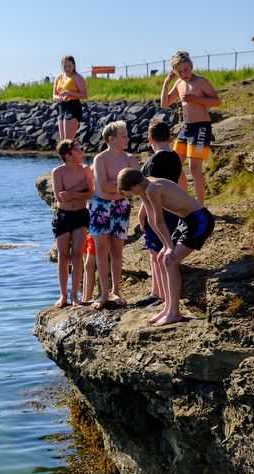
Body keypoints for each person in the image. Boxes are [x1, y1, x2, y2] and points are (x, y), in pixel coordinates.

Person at [118, 168, 215, 327]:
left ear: (134, 186)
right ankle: (168, 308)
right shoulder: (145, 188)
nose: (132, 195)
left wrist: (169, 246)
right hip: (186, 221)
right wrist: (165, 245)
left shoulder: (153, 188)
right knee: (162, 258)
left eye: (130, 192)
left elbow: (160, 220)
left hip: (200, 220)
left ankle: (174, 313)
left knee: (171, 261)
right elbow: (151, 219)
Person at [89, 121, 140, 310]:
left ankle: (116, 291)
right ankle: (103, 294)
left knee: (117, 250)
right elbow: (103, 185)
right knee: (101, 251)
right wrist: (121, 188)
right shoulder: (100, 159)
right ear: (112, 139)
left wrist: (116, 188)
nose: (127, 139)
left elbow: (136, 184)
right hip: (100, 207)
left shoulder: (130, 159)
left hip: (121, 207)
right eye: (124, 136)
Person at [160, 51, 221, 205]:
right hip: (186, 128)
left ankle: (199, 204)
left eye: (186, 70)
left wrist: (197, 99)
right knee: (175, 165)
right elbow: (164, 104)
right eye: (179, 72)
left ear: (191, 66)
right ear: (175, 72)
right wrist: (166, 82)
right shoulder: (179, 83)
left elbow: (217, 101)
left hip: (201, 127)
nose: (183, 74)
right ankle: (186, 200)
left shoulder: (201, 81)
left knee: (194, 168)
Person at [135, 120, 183, 307]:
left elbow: (148, 192)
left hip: (157, 210)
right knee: (160, 250)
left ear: (150, 139)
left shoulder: (152, 162)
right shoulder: (176, 157)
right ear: (170, 137)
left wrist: (141, 214)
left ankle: (161, 294)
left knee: (157, 252)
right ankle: (158, 293)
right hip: (173, 208)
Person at [51, 139, 94, 307]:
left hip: (80, 215)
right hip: (63, 216)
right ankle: (63, 296)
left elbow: (90, 194)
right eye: (78, 150)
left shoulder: (85, 170)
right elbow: (59, 196)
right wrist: (78, 189)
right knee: (63, 255)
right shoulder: (58, 172)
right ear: (68, 155)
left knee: (77, 255)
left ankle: (74, 296)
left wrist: (72, 192)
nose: (81, 152)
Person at [53, 56, 88, 141]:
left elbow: (84, 95)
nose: (67, 68)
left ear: (74, 65)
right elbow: (54, 96)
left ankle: (74, 153)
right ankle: (65, 154)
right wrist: (61, 98)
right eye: (65, 66)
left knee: (68, 141)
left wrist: (69, 93)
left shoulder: (77, 77)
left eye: (69, 66)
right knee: (62, 141)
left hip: (73, 107)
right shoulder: (58, 78)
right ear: (61, 66)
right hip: (62, 107)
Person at [81, 233, 97, 304]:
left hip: (93, 231)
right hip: (84, 230)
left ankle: (87, 298)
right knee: (85, 266)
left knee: (88, 265)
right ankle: (84, 298)